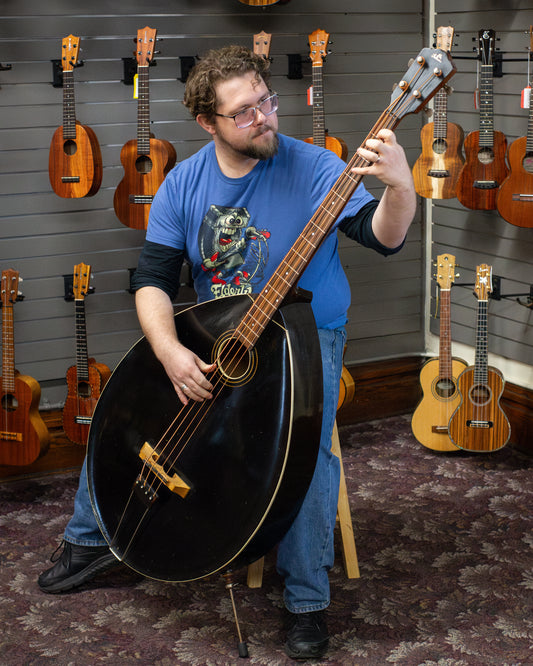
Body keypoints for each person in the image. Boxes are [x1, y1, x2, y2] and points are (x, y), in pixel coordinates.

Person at [38, 45, 416, 660]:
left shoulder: (320, 167)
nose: (265, 117)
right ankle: (91, 540)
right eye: (244, 112)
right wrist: (167, 351)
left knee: (308, 453)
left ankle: (307, 600)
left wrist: (400, 187)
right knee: (128, 406)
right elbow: (153, 280)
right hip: (219, 332)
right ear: (207, 124)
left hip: (304, 335)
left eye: (266, 101)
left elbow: (385, 238)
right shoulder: (182, 183)